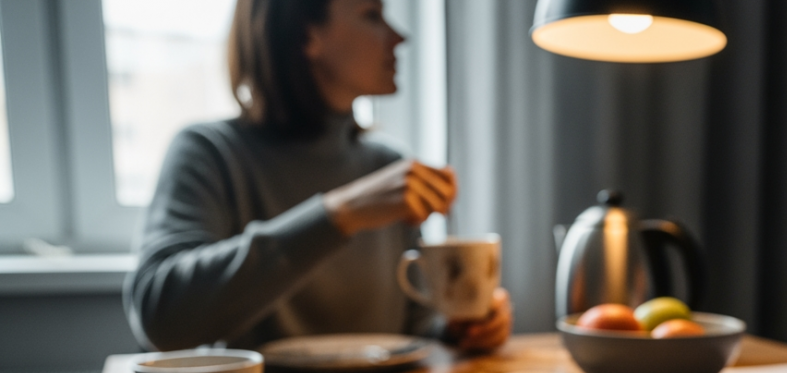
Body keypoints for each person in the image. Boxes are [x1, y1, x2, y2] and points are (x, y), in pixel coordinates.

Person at [124, 0, 511, 352]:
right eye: (372, 16)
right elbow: (161, 318)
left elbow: (414, 329)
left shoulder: (386, 166)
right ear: (308, 35)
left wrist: (461, 330)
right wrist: (339, 213)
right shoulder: (210, 153)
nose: (399, 37)